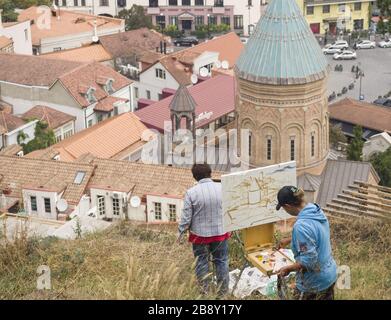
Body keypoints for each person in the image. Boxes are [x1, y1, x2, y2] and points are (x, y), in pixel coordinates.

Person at [275, 186, 338, 300]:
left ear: (288, 206)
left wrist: (288, 269)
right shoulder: (315, 210)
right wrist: (290, 239)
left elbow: (309, 261)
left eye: (284, 208)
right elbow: (314, 234)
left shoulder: (301, 226)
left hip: (314, 282)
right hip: (329, 274)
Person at [178, 164, 230, 296]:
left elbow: (186, 217)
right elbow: (229, 210)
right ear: (210, 173)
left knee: (201, 261)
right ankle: (222, 293)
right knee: (221, 261)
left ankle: (205, 292)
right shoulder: (222, 189)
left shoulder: (191, 193)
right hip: (220, 232)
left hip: (199, 235)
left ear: (195, 177)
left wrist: (181, 232)